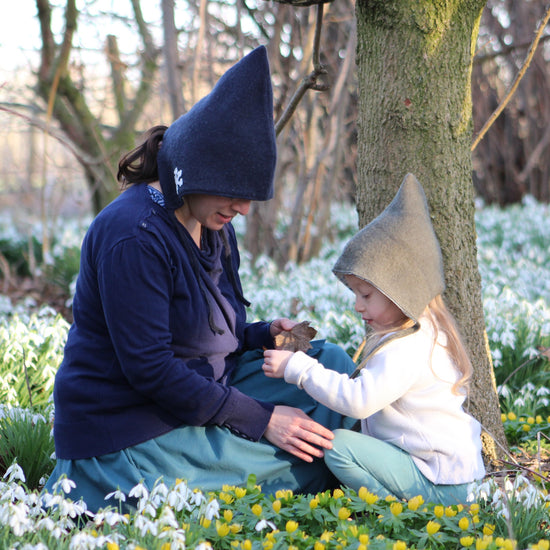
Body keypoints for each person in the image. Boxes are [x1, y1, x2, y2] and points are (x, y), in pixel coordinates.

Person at [44, 46, 356, 512]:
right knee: (306, 453)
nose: (245, 209)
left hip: (207, 389)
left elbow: (209, 331)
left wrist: (261, 335)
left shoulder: (211, 223)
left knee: (327, 365)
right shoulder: (132, 236)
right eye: (236, 194)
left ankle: (337, 458)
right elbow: (151, 369)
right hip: (132, 424)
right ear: (197, 171)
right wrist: (263, 419)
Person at [262, 173, 486, 505]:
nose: (356, 305)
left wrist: (299, 368)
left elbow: (358, 401)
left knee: (337, 447)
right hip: (450, 473)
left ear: (400, 290)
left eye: (365, 294)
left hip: (438, 481)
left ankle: (402, 515)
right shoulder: (422, 330)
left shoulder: (409, 346)